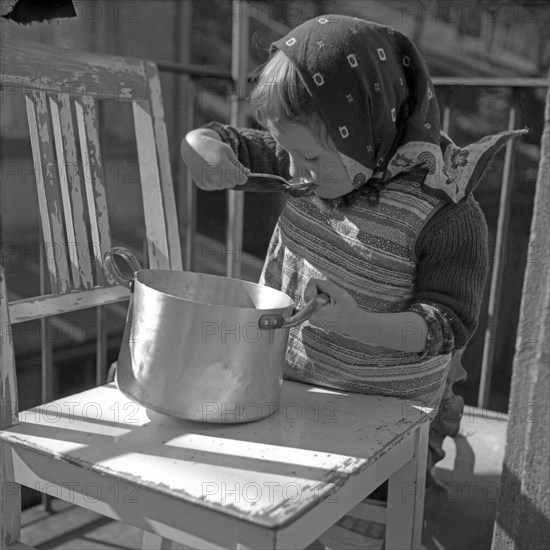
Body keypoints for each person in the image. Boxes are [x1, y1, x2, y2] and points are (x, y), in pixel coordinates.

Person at [181, 13, 525, 546]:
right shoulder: (311, 155)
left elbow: (445, 326)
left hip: (389, 418)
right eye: (286, 152)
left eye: (310, 157)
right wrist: (202, 149)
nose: (293, 171)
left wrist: (360, 324)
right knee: (216, 473)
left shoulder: (445, 213)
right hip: (287, 390)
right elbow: (219, 139)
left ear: (365, 127)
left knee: (325, 519)